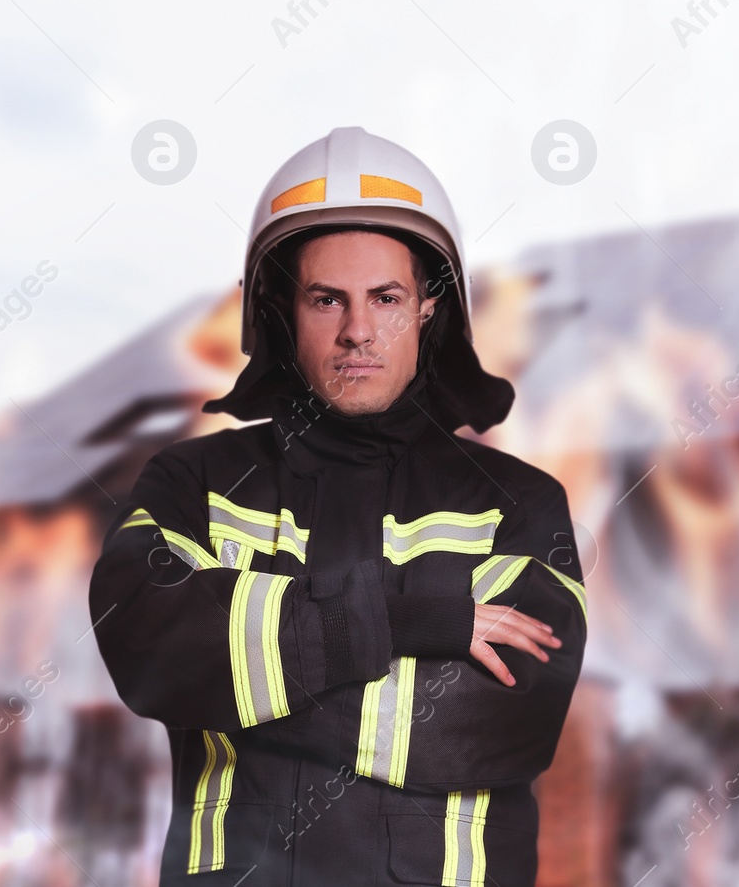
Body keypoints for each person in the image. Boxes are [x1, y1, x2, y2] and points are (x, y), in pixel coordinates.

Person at [88, 126, 586, 885]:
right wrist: (410, 623)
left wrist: (245, 682)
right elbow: (148, 643)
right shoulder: (193, 483)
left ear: (427, 306)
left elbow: (494, 724)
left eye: (385, 297)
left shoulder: (516, 504)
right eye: (328, 298)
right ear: (285, 310)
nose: (358, 330)